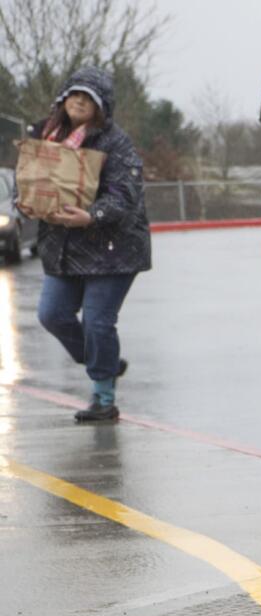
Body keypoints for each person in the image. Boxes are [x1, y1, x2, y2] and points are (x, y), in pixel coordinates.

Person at [22, 66, 151, 422]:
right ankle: (102, 360)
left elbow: (125, 195)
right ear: (62, 100)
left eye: (89, 97)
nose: (79, 100)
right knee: (52, 314)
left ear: (102, 106)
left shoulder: (115, 143)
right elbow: (30, 182)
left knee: (97, 323)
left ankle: (104, 398)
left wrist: (91, 215)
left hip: (113, 248)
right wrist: (26, 203)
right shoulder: (45, 137)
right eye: (74, 94)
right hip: (64, 245)